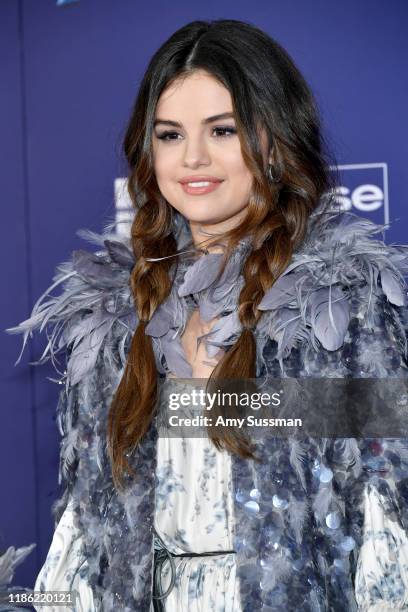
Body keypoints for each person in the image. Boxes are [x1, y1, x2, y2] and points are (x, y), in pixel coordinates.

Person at [7, 18, 408, 612]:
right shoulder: (115, 312)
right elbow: (88, 528)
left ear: (275, 138)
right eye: (169, 135)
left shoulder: (345, 304)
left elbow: (386, 509)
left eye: (223, 130)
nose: (193, 158)